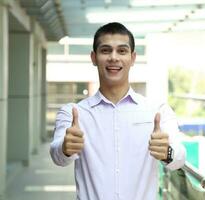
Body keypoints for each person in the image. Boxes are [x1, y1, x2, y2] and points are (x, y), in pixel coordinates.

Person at [50, 22, 186, 200]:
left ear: (133, 58)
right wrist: (65, 148)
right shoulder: (73, 112)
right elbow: (57, 156)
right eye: (105, 50)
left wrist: (167, 152)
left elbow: (180, 158)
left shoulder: (157, 111)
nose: (114, 57)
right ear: (93, 57)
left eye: (122, 51)